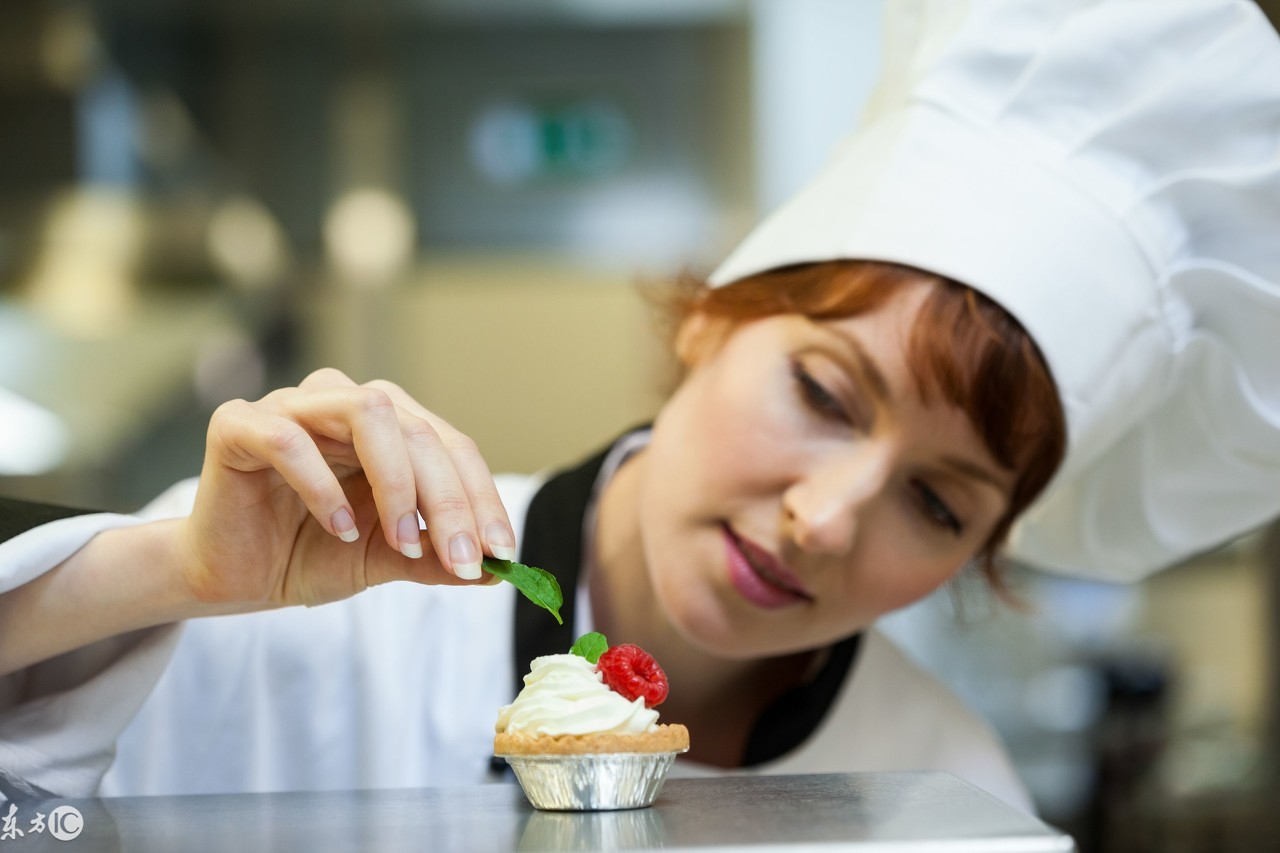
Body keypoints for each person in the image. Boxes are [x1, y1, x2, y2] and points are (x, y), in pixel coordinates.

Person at [2, 0, 1278, 813]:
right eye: (826, 392)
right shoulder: (294, 607)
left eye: (938, 501)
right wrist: (167, 572)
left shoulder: (942, 803)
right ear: (711, 319)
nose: (825, 518)